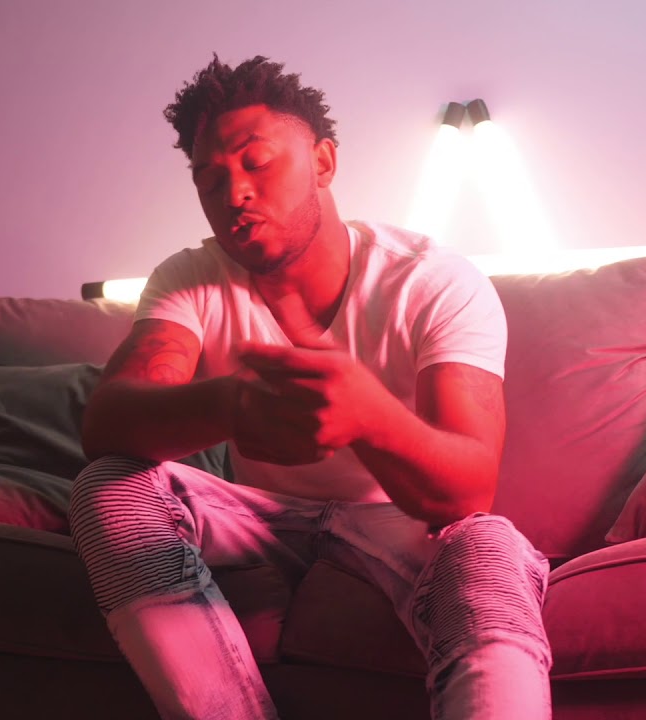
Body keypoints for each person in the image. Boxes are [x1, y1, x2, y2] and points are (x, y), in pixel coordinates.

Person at [69, 54, 551, 720]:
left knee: (489, 544)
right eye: (210, 179)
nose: (234, 194)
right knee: (109, 484)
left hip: (397, 524)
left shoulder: (434, 280)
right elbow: (108, 422)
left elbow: (467, 491)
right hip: (260, 518)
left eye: (256, 162)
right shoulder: (190, 278)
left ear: (323, 161)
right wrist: (230, 404)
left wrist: (370, 417)